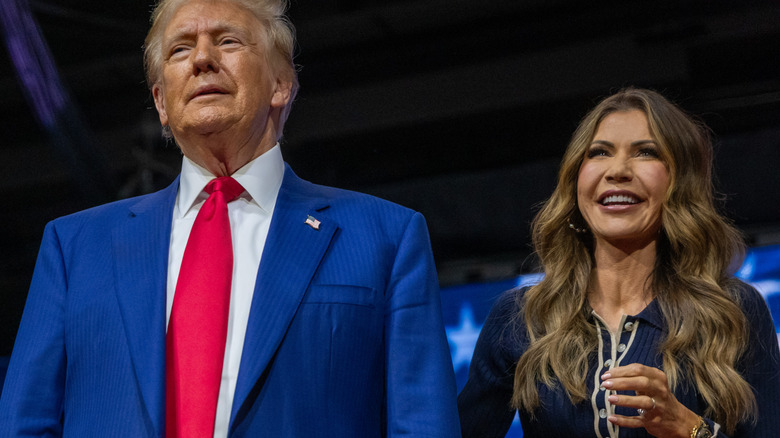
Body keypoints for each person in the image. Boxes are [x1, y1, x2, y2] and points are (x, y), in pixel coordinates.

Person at [0, 0, 461, 436]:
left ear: (281, 84)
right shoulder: (74, 246)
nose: (201, 58)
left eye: (228, 42)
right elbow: (24, 422)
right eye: (181, 48)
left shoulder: (386, 237)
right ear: (161, 102)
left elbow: (423, 425)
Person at [457, 88, 780, 437]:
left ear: (680, 182)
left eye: (646, 152)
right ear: (575, 179)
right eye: (599, 152)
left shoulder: (735, 311)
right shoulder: (522, 317)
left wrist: (688, 427)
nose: (618, 170)